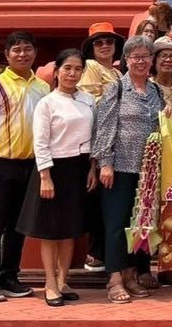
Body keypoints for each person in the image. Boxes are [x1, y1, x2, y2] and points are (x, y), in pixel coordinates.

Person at [0, 31, 51, 302]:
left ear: (35, 52)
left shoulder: (43, 88)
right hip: (0, 164)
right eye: (16, 50)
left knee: (18, 226)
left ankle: (9, 276)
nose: (22, 54)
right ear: (7, 55)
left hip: (30, 165)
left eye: (27, 49)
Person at [17, 48, 96, 306]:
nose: (72, 74)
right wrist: (45, 176)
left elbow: (94, 136)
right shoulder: (47, 103)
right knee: (50, 231)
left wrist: (92, 167)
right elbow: (40, 142)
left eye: (78, 69)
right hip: (54, 169)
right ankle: (50, 283)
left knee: (70, 229)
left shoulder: (88, 100)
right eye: (67, 68)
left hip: (79, 168)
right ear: (57, 71)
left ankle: (63, 280)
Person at [92, 35, 165, 303]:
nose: (141, 61)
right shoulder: (117, 89)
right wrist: (105, 163)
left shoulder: (156, 91)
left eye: (146, 56)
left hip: (148, 170)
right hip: (120, 166)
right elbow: (104, 126)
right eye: (136, 57)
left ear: (152, 60)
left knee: (140, 222)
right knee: (116, 223)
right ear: (126, 60)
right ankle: (114, 279)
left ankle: (130, 274)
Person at [76, 22, 124, 273]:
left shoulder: (116, 72)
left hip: (116, 141)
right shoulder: (91, 67)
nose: (105, 46)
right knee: (98, 199)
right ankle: (96, 252)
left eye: (109, 41)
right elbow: (90, 102)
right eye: (99, 42)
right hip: (97, 139)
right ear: (91, 48)